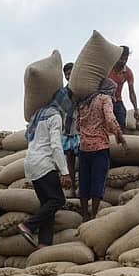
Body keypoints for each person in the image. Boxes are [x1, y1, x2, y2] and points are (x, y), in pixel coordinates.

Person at [18, 88, 72, 248]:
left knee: (46, 206)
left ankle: (44, 243)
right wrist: (65, 172)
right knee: (58, 200)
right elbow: (56, 146)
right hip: (44, 164)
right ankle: (28, 225)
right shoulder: (55, 116)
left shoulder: (38, 115)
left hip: (31, 164)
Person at [76, 78, 127, 220]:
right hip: (100, 147)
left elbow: (77, 125)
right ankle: (94, 214)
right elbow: (110, 119)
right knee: (98, 181)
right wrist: (120, 136)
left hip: (84, 148)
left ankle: (84, 215)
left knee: (84, 181)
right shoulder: (105, 99)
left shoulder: (83, 101)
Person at [108, 45, 139, 129]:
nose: (123, 61)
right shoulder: (108, 67)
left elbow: (131, 92)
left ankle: (121, 138)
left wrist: (135, 109)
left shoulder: (128, 72)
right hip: (105, 99)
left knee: (121, 120)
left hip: (117, 101)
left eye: (125, 59)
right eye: (121, 58)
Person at [61, 62, 80, 196]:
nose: (68, 76)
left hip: (80, 129)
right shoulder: (64, 91)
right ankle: (72, 188)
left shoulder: (82, 88)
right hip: (68, 130)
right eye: (66, 74)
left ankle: (82, 188)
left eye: (70, 73)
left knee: (83, 160)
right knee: (70, 161)